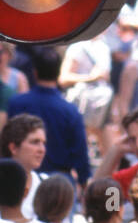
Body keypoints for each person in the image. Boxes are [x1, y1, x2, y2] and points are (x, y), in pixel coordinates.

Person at [6, 47, 89, 184]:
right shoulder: (70, 110)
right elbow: (80, 150)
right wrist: (83, 179)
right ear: (58, 73)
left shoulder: (16, 103)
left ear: (35, 73)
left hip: (21, 179)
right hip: (58, 181)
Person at [0, 114, 49, 219]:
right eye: (35, 142)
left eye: (43, 143)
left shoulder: (46, 186)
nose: (42, 149)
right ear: (13, 148)